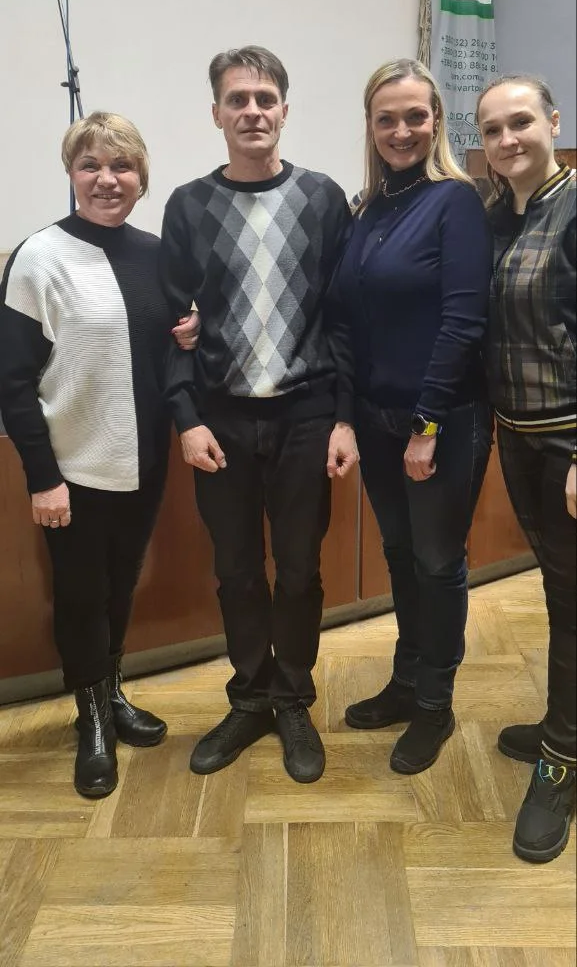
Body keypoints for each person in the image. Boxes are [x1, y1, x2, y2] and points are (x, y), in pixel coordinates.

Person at [161, 45, 358, 784]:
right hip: (220, 421)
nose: (252, 111)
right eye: (237, 99)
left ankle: (293, 697)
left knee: (300, 570)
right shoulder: (187, 205)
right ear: (216, 113)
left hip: (307, 415)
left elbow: (344, 318)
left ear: (284, 110)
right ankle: (250, 697)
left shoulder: (322, 198)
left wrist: (343, 417)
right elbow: (173, 323)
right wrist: (186, 417)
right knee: (237, 570)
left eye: (264, 99)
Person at [0, 113, 171, 799]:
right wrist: (42, 479)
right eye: (90, 165)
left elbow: (165, 344)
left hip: (144, 464)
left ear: (141, 178)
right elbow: (13, 382)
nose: (107, 179)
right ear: (71, 173)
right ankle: (91, 718)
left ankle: (112, 690)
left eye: (121, 166)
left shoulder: (156, 254)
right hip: (73, 469)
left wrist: (189, 329)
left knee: (120, 586)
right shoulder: (38, 257)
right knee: (79, 595)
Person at [334, 58, 493, 774]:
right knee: (401, 556)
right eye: (386, 118)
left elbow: (462, 322)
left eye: (415, 116)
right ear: (370, 126)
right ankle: (406, 680)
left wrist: (425, 426)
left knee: (436, 562)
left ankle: (435, 703)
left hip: (442, 421)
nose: (401, 131)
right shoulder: (365, 209)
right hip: (376, 420)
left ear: (436, 122)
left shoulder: (455, 201)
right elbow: (346, 320)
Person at [477, 74, 576, 863]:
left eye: (520, 122)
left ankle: (560, 762)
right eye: (490, 129)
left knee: (571, 601)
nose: (506, 139)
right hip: (516, 437)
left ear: (552, 122)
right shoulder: (495, 217)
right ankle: (564, 723)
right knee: (558, 589)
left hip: (567, 443)